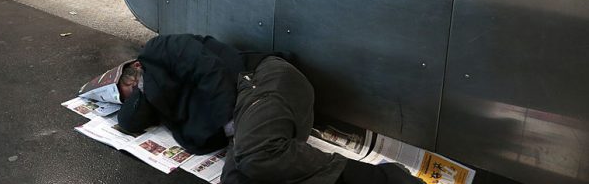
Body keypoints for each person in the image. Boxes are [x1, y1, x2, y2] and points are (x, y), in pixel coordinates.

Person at [116, 34, 424, 184]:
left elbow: (212, 72)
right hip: (254, 122)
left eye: (126, 87)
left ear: (136, 68)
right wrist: (140, 97)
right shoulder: (166, 109)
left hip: (262, 81)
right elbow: (134, 121)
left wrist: (146, 90)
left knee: (257, 153)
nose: (131, 97)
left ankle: (389, 179)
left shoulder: (159, 49)